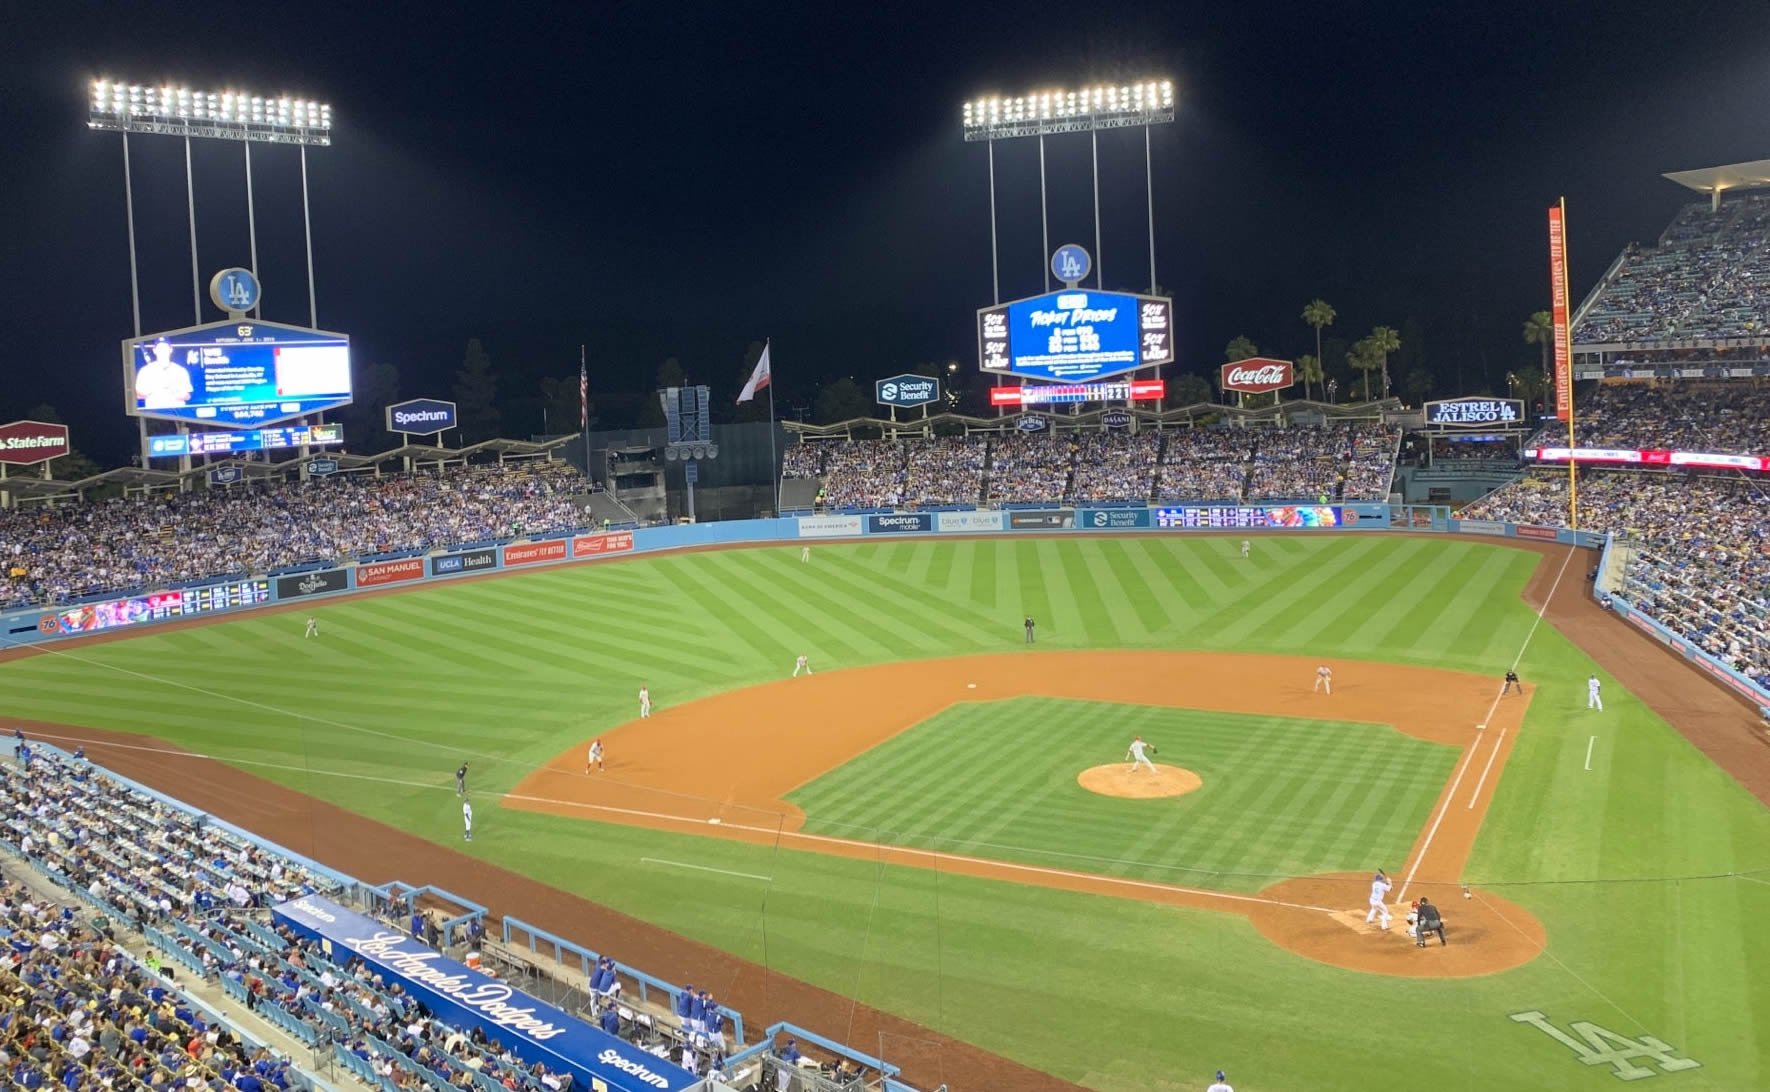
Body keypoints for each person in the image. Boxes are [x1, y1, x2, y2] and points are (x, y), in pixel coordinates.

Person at [133, 338, 194, 410]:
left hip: (177, 414)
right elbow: (137, 395)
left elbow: (187, 396)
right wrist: (154, 388)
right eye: (160, 348)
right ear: (154, 350)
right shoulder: (145, 371)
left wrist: (172, 389)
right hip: (154, 414)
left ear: (170, 350)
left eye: (165, 348)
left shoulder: (180, 371)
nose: (162, 351)